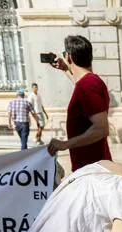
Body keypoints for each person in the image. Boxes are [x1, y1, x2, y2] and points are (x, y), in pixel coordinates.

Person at [48, 35, 111, 172]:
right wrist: (65, 69)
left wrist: (64, 144)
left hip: (92, 169)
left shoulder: (87, 85)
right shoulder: (90, 82)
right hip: (94, 165)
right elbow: (81, 89)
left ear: (69, 57)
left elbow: (101, 128)